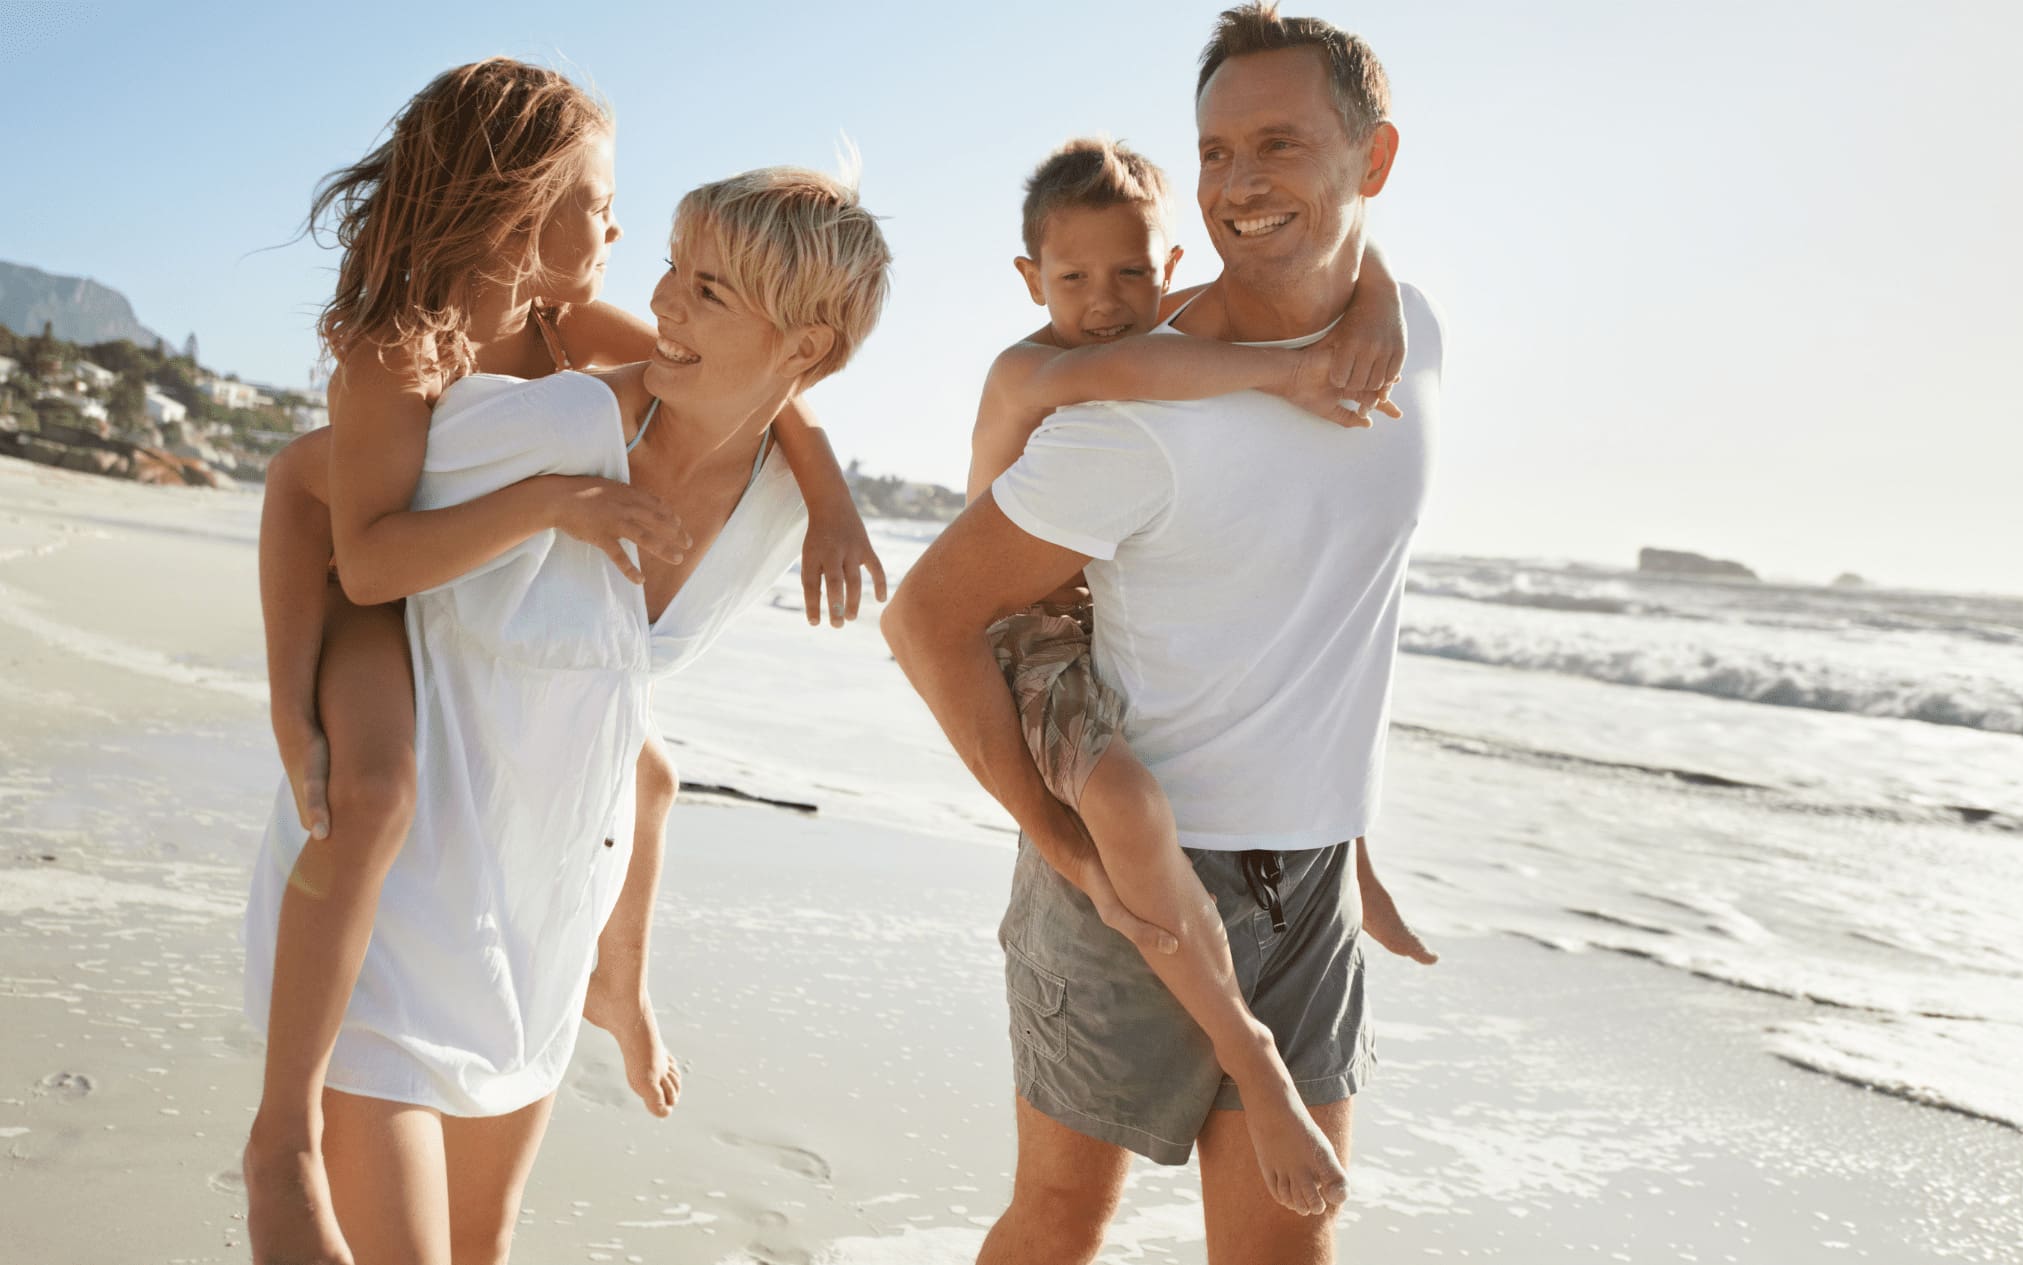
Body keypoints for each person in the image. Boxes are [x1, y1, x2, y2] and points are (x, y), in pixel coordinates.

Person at [243, 60, 883, 1265]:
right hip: (365, 589)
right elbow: (322, 518)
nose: (632, 248)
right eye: (602, 200)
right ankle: (282, 1133)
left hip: (505, 724)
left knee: (647, 777)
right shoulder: (412, 363)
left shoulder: (562, 327)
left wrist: (831, 487)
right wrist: (291, 703)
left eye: (697, 276)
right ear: (517, 204)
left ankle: (616, 986)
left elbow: (760, 381)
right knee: (368, 792)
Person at [882, 7, 1441, 1262]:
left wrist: (1352, 833)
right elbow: (926, 616)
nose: (1240, 181)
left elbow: (1328, 611)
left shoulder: (1413, 341)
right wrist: (1055, 839)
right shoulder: (1123, 407)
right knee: (1062, 1220)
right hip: (1126, 871)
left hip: (1307, 886)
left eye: (1280, 143)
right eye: (1217, 149)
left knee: (1285, 1246)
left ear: (1375, 159)